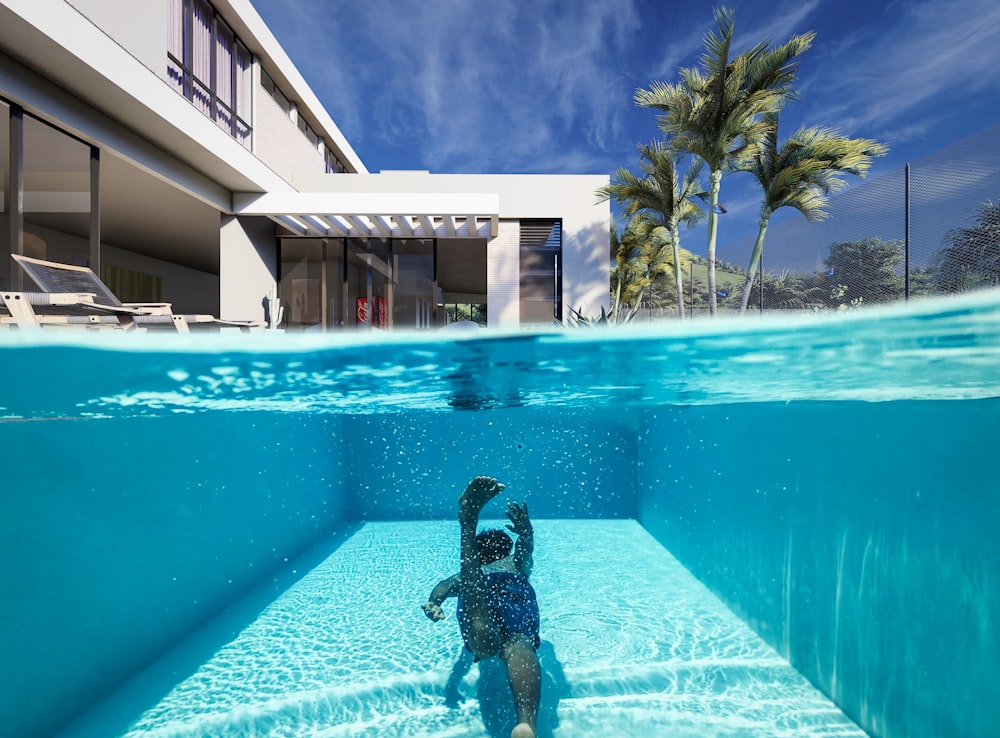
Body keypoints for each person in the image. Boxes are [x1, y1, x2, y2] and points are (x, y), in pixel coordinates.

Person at [422, 476, 540, 738]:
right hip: (515, 609)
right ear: (503, 547)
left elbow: (443, 586)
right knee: (520, 643)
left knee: (484, 639)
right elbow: (525, 551)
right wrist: (526, 532)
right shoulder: (514, 564)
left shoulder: (487, 569)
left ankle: (467, 525)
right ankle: (527, 723)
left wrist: (435, 601)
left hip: (479, 603)